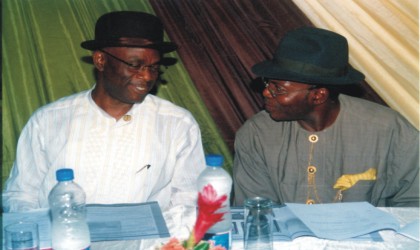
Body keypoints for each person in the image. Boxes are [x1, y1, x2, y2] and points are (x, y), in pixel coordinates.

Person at [3, 11, 206, 242]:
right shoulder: (49, 121)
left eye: (154, 67)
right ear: (100, 60)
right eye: (135, 65)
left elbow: (190, 201)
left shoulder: (177, 124)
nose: (147, 76)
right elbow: (21, 195)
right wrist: (42, 237)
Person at [233, 27, 419, 207]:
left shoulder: (388, 128)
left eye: (277, 88)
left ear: (318, 95)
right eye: (268, 83)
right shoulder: (256, 133)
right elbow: (255, 209)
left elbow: (414, 200)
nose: (266, 92)